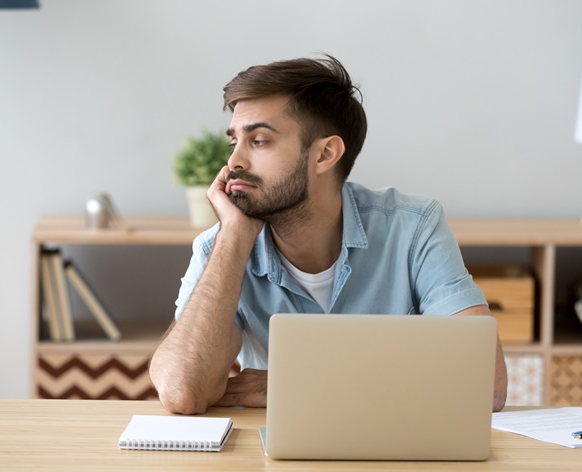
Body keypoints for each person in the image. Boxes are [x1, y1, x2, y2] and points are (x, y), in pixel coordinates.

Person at [149, 54, 508, 414]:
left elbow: (485, 386)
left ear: (324, 154)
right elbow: (182, 391)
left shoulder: (413, 228)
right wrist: (234, 237)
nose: (234, 163)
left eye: (258, 141)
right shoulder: (221, 245)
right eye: (234, 143)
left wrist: (300, 384)